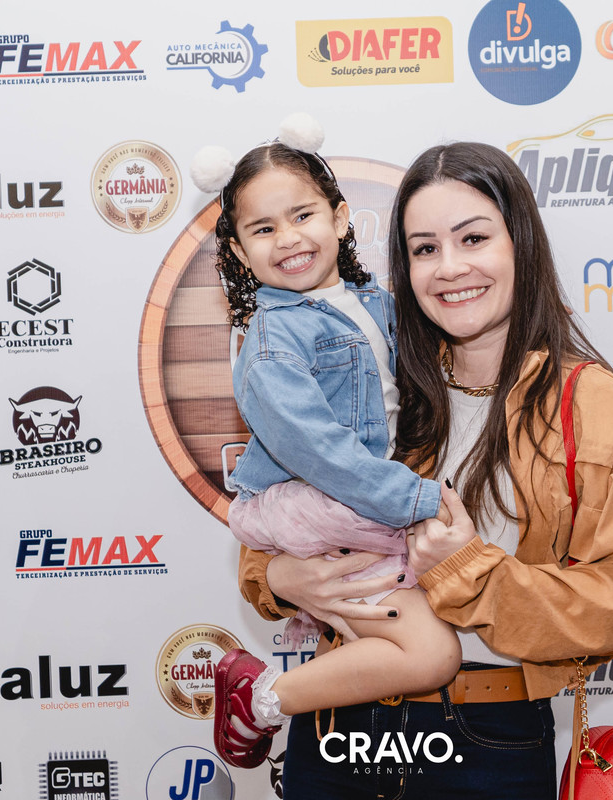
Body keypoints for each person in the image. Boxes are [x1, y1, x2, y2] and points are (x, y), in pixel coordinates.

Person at [238, 141, 613, 799]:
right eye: (425, 249)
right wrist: (279, 577)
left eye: (473, 238)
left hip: (489, 738)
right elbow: (289, 505)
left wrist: (470, 572)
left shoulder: (592, 405)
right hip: (338, 722)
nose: (450, 268)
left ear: (520, 244)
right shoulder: (381, 373)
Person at [191, 120, 462, 771]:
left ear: (340, 218)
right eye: (263, 229)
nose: (288, 238)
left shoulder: (376, 304)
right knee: (431, 653)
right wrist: (418, 498)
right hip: (321, 500)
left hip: (356, 497)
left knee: (418, 619)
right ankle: (260, 698)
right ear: (239, 251)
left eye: (303, 215)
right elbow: (317, 449)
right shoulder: (272, 339)